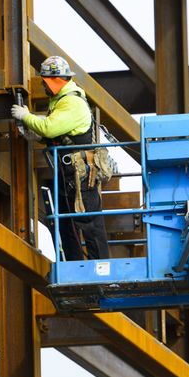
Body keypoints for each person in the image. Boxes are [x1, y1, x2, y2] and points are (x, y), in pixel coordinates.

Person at [10, 56, 110, 261]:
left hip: (82, 176)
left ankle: (101, 268)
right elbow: (55, 132)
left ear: (53, 80)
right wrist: (33, 132)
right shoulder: (60, 103)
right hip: (69, 175)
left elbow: (49, 127)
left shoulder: (72, 102)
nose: (43, 86)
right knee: (67, 224)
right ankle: (75, 266)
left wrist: (26, 116)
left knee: (90, 223)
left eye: (44, 81)